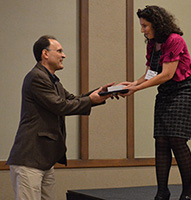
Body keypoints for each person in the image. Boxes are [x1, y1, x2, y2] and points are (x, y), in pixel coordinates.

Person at [7, 35, 114, 200]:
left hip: (43, 160)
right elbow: (60, 106)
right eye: (59, 51)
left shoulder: (53, 80)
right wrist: (90, 100)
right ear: (45, 54)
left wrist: (99, 93)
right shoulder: (37, 77)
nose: (63, 55)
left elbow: (70, 99)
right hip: (30, 158)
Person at [119, 6, 191, 200]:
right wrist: (133, 83)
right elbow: (152, 73)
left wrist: (136, 89)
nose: (143, 30)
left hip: (186, 91)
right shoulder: (152, 43)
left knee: (177, 140)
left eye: (145, 26)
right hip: (166, 92)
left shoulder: (174, 40)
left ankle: (189, 190)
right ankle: (162, 192)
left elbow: (167, 74)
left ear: (157, 23)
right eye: (142, 26)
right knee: (161, 141)